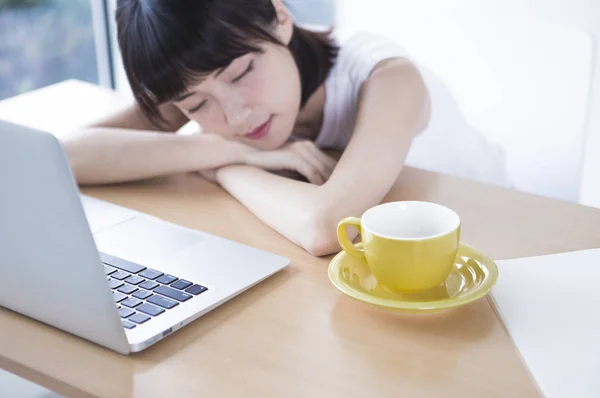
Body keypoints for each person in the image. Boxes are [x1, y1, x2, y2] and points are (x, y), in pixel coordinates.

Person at [63, 0, 504, 257]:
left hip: (487, 241)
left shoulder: (386, 78)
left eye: (241, 75)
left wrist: (228, 164)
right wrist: (225, 149)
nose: (235, 116)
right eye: (196, 104)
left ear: (279, 17)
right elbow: (66, 156)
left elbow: (327, 226)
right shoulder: (210, 74)